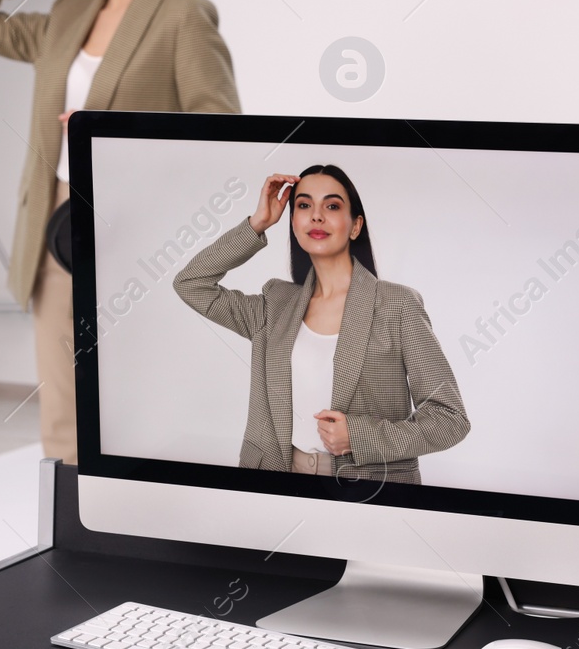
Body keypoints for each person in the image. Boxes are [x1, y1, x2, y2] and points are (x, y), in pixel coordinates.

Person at [0, 0, 240, 465]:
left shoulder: (183, 16)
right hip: (59, 222)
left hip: (141, 224)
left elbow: (221, 134)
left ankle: (149, 512)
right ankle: (75, 526)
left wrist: (111, 136)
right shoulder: (67, 16)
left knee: (140, 381)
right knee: (63, 390)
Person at [173, 166, 469, 483]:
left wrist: (359, 436)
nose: (316, 216)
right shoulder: (275, 304)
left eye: (331, 206)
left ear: (355, 226)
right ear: (293, 222)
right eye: (303, 205)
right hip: (277, 476)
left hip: (369, 487)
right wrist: (257, 224)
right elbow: (191, 284)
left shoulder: (398, 306)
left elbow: (449, 418)